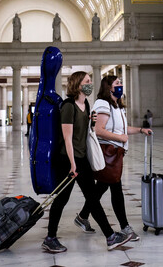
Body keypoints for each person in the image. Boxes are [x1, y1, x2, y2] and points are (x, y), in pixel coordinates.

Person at [42, 71, 131, 253]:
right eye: (87, 81)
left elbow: (85, 133)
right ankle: (50, 238)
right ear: (78, 84)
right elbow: (67, 139)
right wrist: (73, 165)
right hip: (68, 160)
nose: (90, 84)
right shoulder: (68, 106)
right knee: (61, 199)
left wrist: (91, 123)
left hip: (82, 158)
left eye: (90, 81)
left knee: (92, 198)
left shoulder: (86, 104)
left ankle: (110, 236)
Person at [77, 75, 152, 243]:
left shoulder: (117, 105)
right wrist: (120, 138)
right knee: (116, 189)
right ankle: (125, 227)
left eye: (121, 83)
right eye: (117, 83)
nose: (121, 85)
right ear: (108, 87)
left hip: (115, 153)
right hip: (108, 153)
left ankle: (83, 216)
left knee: (103, 186)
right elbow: (98, 130)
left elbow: (123, 129)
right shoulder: (103, 104)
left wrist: (140, 130)